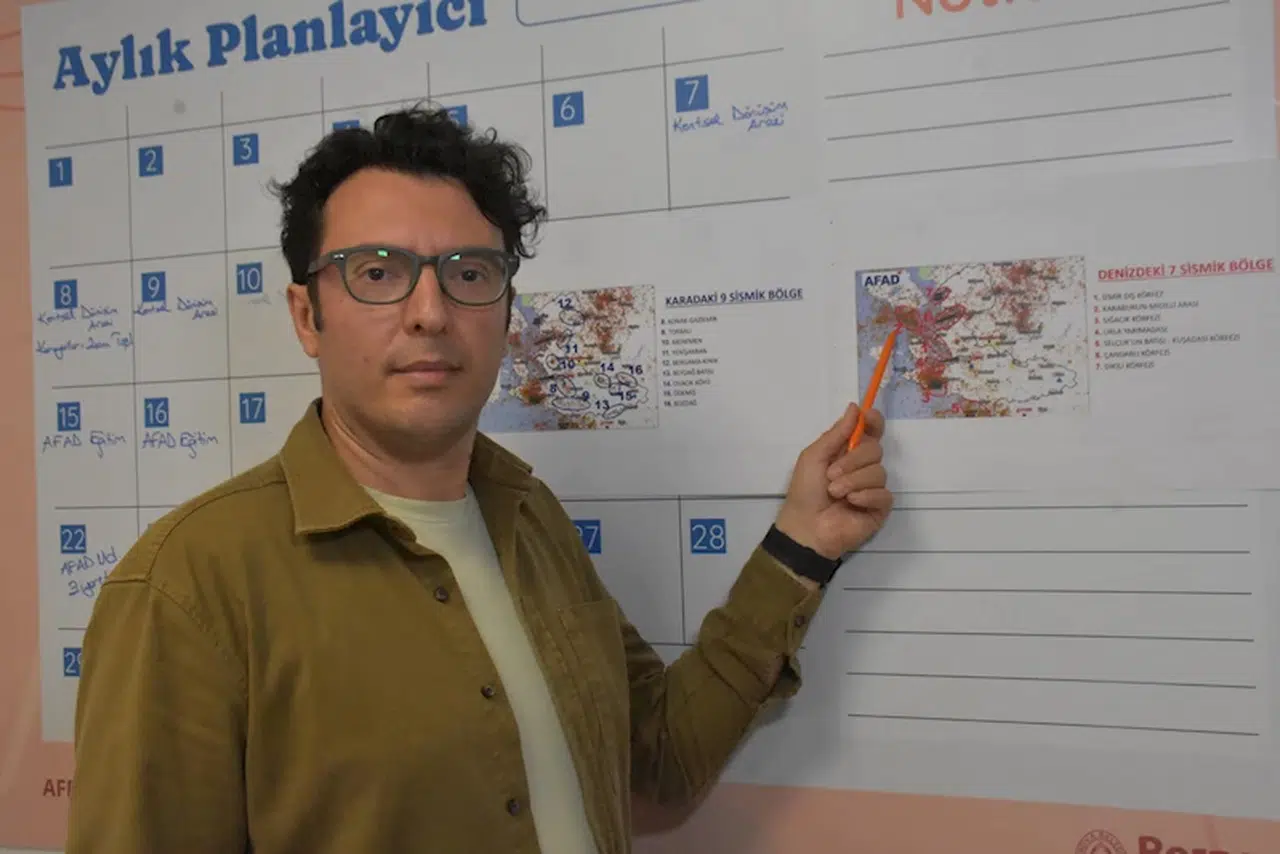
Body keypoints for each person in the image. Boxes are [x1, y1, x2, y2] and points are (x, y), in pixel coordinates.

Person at [64, 105, 893, 854]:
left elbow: (662, 757)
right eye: (377, 272)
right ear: (307, 316)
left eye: (468, 272)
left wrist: (802, 544)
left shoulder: (531, 520)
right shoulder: (189, 586)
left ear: (503, 313)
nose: (430, 312)